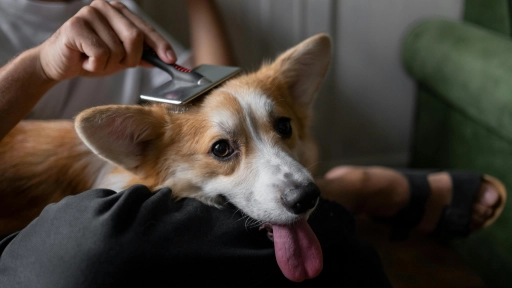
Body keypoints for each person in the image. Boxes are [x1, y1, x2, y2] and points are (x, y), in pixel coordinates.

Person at [0, 0, 507, 286]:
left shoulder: (123, 10)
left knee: (329, 255)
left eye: (284, 127)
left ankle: (341, 194)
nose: (294, 177)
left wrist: (201, 5)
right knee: (93, 252)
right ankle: (345, 195)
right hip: (85, 211)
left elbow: (216, 92)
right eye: (225, 151)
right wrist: (39, 67)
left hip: (163, 158)